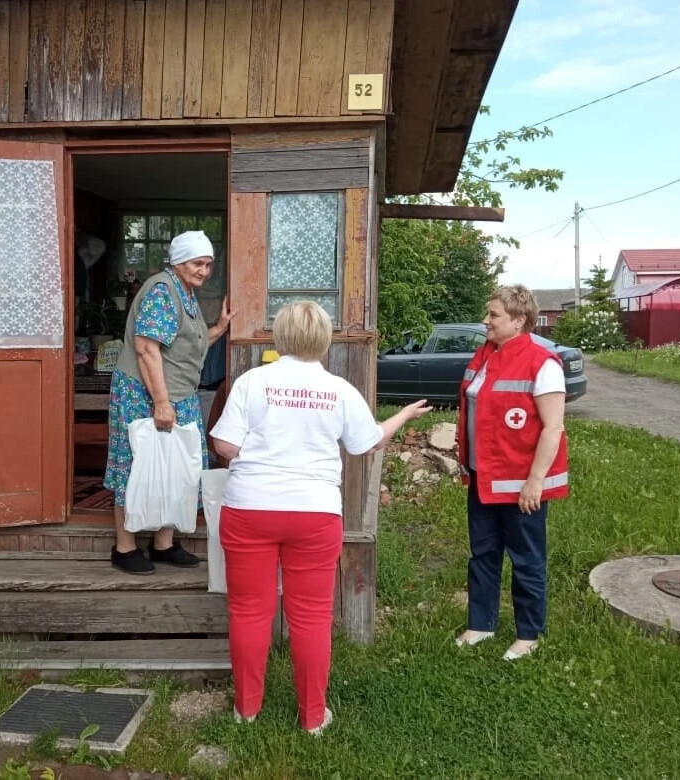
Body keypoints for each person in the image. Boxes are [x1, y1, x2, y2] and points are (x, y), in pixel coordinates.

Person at [210, 302, 430, 734]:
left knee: (249, 611)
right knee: (311, 615)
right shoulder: (340, 390)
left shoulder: (253, 382)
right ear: (324, 339)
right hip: (314, 512)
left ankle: (247, 710)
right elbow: (367, 443)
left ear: (282, 337)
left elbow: (224, 447)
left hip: (250, 509)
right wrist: (401, 416)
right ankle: (313, 717)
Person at [105, 230, 234, 575]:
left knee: (181, 466)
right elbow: (146, 349)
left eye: (208, 264)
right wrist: (161, 403)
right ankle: (124, 546)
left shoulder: (185, 293)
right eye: (197, 263)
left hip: (179, 393)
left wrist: (219, 328)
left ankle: (163, 543)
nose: (204, 270)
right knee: (134, 465)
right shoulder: (162, 290)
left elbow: (183, 343)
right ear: (178, 262)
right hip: (144, 394)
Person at [455, 285, 568, 660]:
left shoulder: (542, 362)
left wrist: (534, 482)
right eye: (487, 314)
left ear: (519, 321)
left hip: (521, 485)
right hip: (484, 477)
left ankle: (528, 634)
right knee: (483, 553)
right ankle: (481, 624)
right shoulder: (487, 354)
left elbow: (553, 429)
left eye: (494, 315)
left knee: (526, 558)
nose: (485, 321)